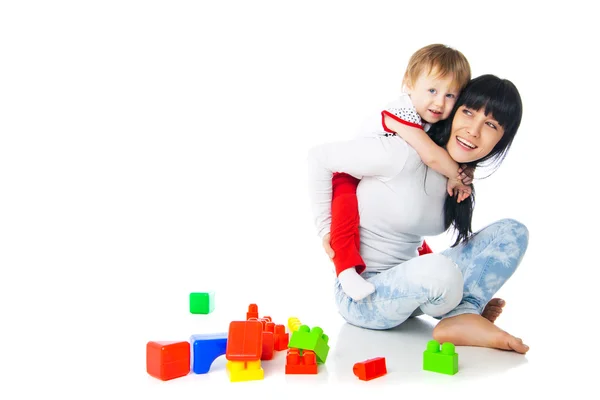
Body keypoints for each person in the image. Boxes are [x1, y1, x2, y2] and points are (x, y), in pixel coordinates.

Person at [307, 74, 529, 353]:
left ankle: (463, 314)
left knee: (511, 232)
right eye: (468, 112)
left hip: (413, 285)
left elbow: (416, 244)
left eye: (491, 124)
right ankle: (460, 310)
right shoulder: (400, 152)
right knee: (441, 272)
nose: (473, 130)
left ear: (502, 140)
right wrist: (326, 230)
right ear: (453, 111)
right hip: (364, 296)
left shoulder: (457, 181)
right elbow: (319, 158)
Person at [330, 44, 475, 302]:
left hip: (389, 191)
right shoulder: (399, 112)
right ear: (408, 84)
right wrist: (456, 174)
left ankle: (452, 288)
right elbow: (430, 154)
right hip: (350, 172)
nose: (439, 102)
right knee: (345, 219)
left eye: (451, 96)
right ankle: (346, 271)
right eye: (432, 90)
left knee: (417, 244)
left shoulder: (432, 121)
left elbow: (446, 152)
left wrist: (466, 171)